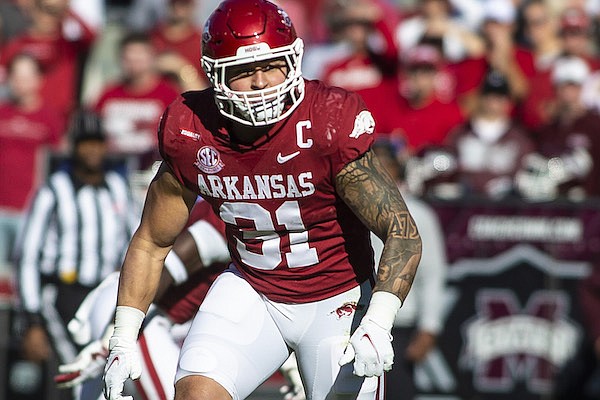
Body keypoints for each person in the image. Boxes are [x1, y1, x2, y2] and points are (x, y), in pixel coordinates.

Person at [102, 2, 422, 400]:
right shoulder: (191, 129)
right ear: (214, 75)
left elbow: (402, 232)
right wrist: (122, 338)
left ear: (294, 61)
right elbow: (152, 241)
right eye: (243, 72)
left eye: (272, 66)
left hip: (338, 299)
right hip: (253, 290)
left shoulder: (326, 120)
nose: (261, 83)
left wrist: (378, 321)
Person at [56, 199, 305, 400]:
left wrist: (289, 364)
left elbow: (257, 312)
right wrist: (114, 335)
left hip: (143, 309)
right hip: (141, 310)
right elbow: (168, 267)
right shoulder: (229, 217)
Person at [13, 111, 139, 399]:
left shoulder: (118, 188)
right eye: (85, 143)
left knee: (108, 373)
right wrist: (31, 320)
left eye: (97, 142)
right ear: (74, 146)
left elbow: (136, 244)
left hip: (106, 295)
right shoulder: (53, 191)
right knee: (77, 373)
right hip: (63, 297)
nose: (92, 150)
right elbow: (27, 256)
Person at [371, 138, 447, 400]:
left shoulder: (418, 213)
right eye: (373, 164)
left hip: (399, 323)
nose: (380, 170)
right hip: (350, 318)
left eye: (386, 164)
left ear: (398, 169)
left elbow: (432, 274)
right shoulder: (344, 210)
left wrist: (429, 327)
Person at [0, 53, 64, 275]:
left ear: (39, 80)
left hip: (31, 209)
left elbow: (58, 160)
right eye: (16, 77)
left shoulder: (49, 117)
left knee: (25, 272)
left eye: (26, 77)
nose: (20, 84)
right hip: (1, 206)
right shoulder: (2, 112)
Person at [93, 32, 180, 171]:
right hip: (111, 167)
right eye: (128, 59)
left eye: (139, 59)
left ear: (152, 58)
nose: (134, 65)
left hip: (153, 168)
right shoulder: (108, 94)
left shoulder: (169, 94)